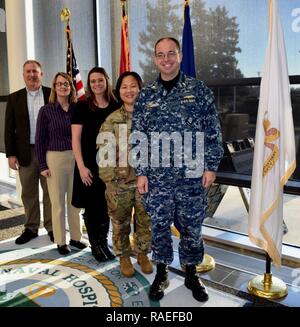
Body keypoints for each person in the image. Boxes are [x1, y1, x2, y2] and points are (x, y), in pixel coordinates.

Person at [132, 37, 224, 302]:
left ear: (180, 56)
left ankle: (192, 273)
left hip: (192, 176)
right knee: (159, 226)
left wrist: (211, 166)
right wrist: (141, 171)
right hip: (158, 178)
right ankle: (161, 273)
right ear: (155, 59)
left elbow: (212, 130)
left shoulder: (199, 90)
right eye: (160, 55)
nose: (166, 59)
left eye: (170, 53)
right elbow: (139, 135)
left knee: (192, 227)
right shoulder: (146, 95)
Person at [99, 71, 152, 277]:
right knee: (120, 223)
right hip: (120, 184)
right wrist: (110, 184)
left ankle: (142, 254)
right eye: (124, 87)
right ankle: (123, 256)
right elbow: (104, 155)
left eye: (133, 86)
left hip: (144, 183)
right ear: (119, 91)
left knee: (145, 221)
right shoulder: (112, 120)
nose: (129, 90)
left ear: (139, 89)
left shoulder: (150, 117)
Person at [35, 72, 86, 255]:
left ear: (71, 88)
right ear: (54, 87)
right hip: (55, 159)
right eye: (59, 84)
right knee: (57, 202)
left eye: (66, 84)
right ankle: (60, 241)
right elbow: (40, 140)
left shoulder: (77, 109)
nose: (63, 87)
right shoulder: (46, 111)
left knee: (75, 201)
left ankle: (75, 238)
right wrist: (42, 165)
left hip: (75, 157)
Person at [71, 67, 118, 262]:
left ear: (106, 81)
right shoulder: (82, 107)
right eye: (92, 81)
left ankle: (103, 241)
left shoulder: (116, 105)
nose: (97, 84)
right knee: (92, 207)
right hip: (88, 165)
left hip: (109, 166)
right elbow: (75, 140)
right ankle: (95, 245)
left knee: (106, 206)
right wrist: (81, 167)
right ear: (89, 85)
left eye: (100, 80)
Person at [4, 60, 53, 244]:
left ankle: (52, 227)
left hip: (49, 153)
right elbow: (9, 129)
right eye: (28, 72)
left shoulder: (52, 94)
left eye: (35, 71)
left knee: (50, 192)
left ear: (42, 74)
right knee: (29, 193)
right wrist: (11, 154)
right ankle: (31, 228)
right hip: (25, 153)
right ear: (23, 75)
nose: (32, 75)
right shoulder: (14, 98)